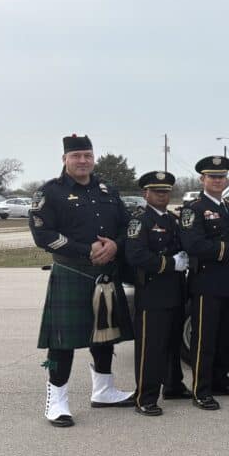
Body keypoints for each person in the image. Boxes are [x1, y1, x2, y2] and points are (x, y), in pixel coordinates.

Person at [30, 134, 135, 426]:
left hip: (105, 274)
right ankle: (57, 401)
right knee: (62, 342)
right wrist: (85, 250)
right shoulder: (50, 192)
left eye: (87, 155)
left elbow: (129, 226)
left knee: (105, 334)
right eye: (76, 156)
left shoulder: (108, 190)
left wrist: (115, 245)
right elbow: (43, 235)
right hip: (71, 273)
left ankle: (104, 391)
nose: (83, 161)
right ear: (64, 159)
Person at [179, 155, 229, 410]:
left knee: (223, 338)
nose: (218, 180)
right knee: (204, 339)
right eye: (213, 176)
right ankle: (201, 389)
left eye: (221, 176)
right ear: (203, 179)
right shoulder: (194, 208)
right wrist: (227, 248)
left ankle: (220, 380)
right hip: (206, 283)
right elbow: (193, 244)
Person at [124, 171, 189, 416]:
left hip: (175, 290)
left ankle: (173, 386)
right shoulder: (139, 220)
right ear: (146, 193)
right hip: (152, 292)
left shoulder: (172, 220)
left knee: (172, 343)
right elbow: (135, 255)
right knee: (151, 347)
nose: (162, 195)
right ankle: (146, 396)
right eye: (157, 191)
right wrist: (171, 264)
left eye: (166, 191)